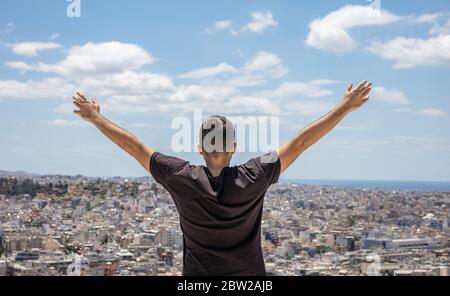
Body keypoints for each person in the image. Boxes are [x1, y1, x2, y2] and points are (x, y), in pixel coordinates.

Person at [72, 80, 372, 275]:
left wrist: (96, 118)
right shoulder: (256, 174)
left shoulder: (180, 176)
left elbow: (134, 146)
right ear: (234, 148)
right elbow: (302, 142)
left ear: (199, 149)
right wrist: (345, 107)